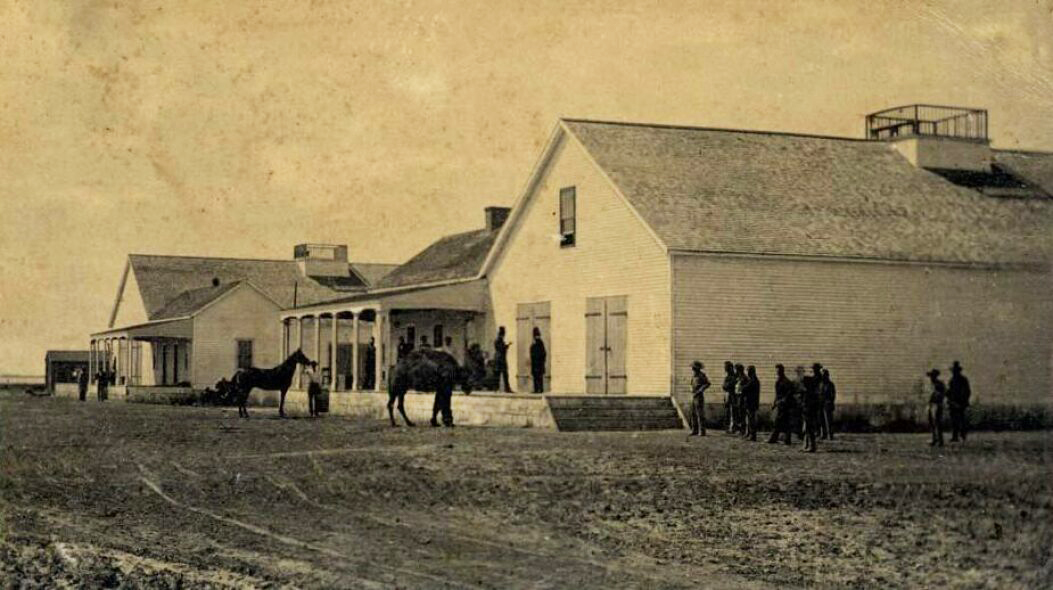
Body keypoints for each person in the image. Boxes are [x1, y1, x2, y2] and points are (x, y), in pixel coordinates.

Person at [768, 364, 795, 445]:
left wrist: (782, 401)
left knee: (781, 421)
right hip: (779, 404)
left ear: (782, 371)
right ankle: (783, 439)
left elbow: (789, 394)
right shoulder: (778, 381)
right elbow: (777, 394)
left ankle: (777, 438)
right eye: (777, 371)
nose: (777, 372)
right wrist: (774, 402)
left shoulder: (786, 382)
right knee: (780, 421)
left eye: (779, 371)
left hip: (785, 405)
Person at [947, 361, 971, 443]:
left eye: (955, 371)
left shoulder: (963, 380)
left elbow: (967, 391)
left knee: (961, 420)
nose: (954, 373)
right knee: (954, 420)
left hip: (961, 403)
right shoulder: (951, 381)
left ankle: (963, 435)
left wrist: (963, 401)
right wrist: (950, 400)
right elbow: (949, 392)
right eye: (953, 371)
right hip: (953, 403)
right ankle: (955, 436)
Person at [799, 364, 821, 453]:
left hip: (810, 407)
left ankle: (811, 446)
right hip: (810, 406)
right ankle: (807, 445)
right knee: (807, 426)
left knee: (809, 427)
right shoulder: (816, 379)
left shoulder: (815, 380)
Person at [689, 361, 710, 436]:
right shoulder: (693, 376)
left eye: (694, 367)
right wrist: (691, 389)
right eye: (693, 367)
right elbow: (691, 384)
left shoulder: (702, 375)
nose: (692, 369)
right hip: (693, 396)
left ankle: (702, 431)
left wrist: (700, 390)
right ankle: (694, 430)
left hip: (699, 396)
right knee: (693, 413)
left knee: (700, 414)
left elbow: (707, 383)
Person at [927, 368, 946, 447]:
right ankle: (935, 439)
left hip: (937, 404)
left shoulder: (938, 384)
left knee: (937, 422)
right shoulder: (932, 385)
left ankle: (939, 440)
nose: (931, 377)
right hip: (932, 405)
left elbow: (940, 394)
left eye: (933, 376)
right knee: (932, 422)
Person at [742, 365, 760, 441]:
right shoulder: (752, 380)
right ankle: (749, 433)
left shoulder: (753, 381)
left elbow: (745, 388)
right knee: (749, 419)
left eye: (749, 371)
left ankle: (753, 435)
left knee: (751, 420)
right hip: (749, 403)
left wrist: (742, 386)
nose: (747, 372)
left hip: (751, 403)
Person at [819, 368, 837, 440]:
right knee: (821, 420)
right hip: (821, 404)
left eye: (824, 375)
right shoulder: (821, 384)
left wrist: (830, 401)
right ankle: (823, 434)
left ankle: (830, 435)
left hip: (827, 404)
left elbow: (833, 394)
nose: (823, 376)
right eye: (822, 375)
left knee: (828, 421)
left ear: (827, 375)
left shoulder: (830, 384)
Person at [494, 326, 513, 393]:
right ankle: (505, 388)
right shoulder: (499, 340)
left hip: (499, 359)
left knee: (499, 374)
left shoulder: (498, 340)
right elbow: (501, 349)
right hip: (500, 359)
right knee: (504, 374)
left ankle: (497, 388)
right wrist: (507, 345)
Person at [529, 327, 547, 394]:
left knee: (538, 377)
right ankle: (538, 389)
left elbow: (543, 353)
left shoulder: (538, 343)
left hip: (538, 363)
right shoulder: (539, 343)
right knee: (537, 377)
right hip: (537, 363)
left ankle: (538, 389)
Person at [722, 362, 737, 434]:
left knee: (733, 412)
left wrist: (727, 385)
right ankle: (727, 427)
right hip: (728, 395)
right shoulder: (727, 377)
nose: (725, 369)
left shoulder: (734, 376)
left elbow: (730, 385)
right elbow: (724, 386)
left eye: (726, 367)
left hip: (733, 395)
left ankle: (733, 428)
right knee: (727, 412)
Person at [733, 364, 747, 435]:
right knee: (738, 413)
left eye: (736, 370)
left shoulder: (744, 378)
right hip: (738, 396)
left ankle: (743, 430)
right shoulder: (738, 378)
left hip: (742, 397)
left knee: (742, 414)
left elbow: (744, 388)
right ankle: (740, 429)